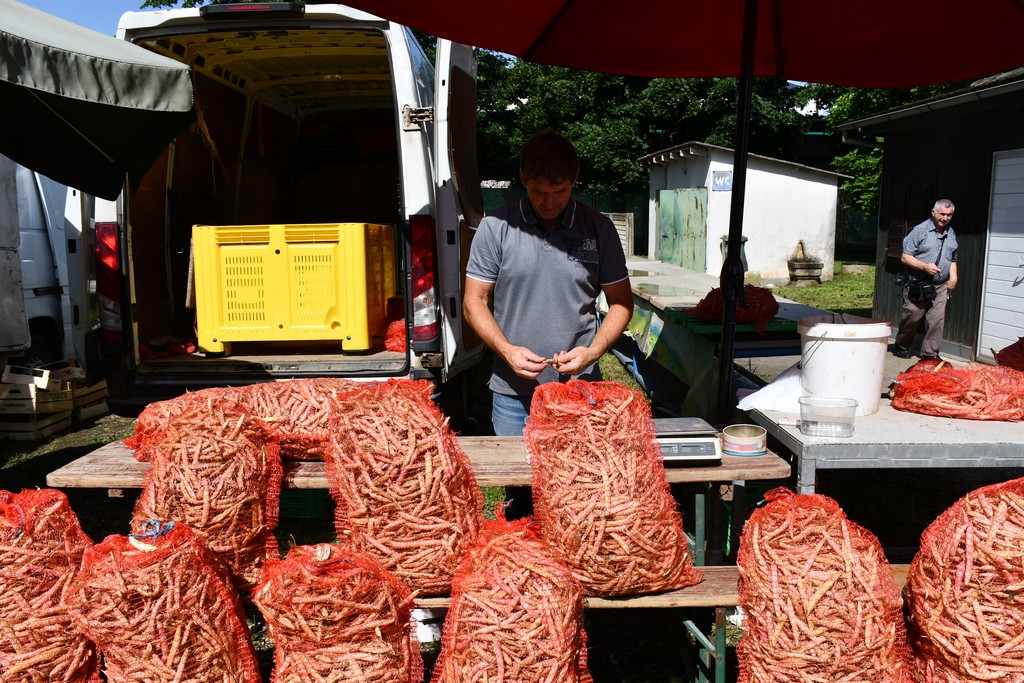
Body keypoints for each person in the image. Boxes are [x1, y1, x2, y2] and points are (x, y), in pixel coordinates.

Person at [463, 129, 634, 514]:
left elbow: (622, 304)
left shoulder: (599, 229)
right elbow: (475, 301)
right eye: (539, 191)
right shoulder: (496, 227)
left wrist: (592, 351)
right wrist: (507, 350)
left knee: (580, 493)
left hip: (579, 390)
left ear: (575, 180)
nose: (549, 202)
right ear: (523, 178)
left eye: (560, 191)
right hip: (513, 393)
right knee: (522, 496)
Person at [893, 199, 958, 361]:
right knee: (912, 316)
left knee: (936, 320)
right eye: (942, 214)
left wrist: (954, 277)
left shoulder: (951, 233)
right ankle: (901, 346)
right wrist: (924, 266)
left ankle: (930, 354)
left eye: (949, 215)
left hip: (940, 285)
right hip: (918, 282)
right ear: (933, 212)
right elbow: (905, 257)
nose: (945, 218)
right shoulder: (920, 231)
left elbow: (952, 258)